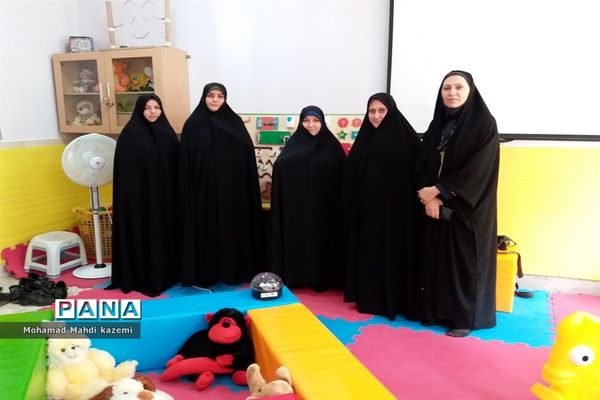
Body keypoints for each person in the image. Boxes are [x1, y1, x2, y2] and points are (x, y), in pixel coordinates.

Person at [415, 70, 499, 337]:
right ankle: (435, 311)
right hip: (435, 205)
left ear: (470, 91)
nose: (452, 93)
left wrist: (439, 192)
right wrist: (429, 196)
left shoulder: (483, 125)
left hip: (468, 208)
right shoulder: (437, 125)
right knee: (437, 259)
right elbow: (422, 161)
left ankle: (465, 318)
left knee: (464, 263)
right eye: (446, 88)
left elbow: (478, 168)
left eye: (458, 87)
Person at [344, 93, 421, 320]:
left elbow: (416, 176)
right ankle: (370, 298)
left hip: (397, 215)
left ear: (391, 111)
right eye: (372, 111)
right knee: (370, 254)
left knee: (394, 256)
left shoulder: (407, 140)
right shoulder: (365, 139)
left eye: (381, 110)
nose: (376, 116)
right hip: (368, 213)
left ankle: (395, 300)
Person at [178, 83, 264, 286]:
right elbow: (185, 161)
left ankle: (232, 272)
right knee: (205, 231)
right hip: (202, 192)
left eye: (220, 96)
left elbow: (246, 155)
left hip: (230, 192)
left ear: (225, 99)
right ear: (204, 97)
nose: (215, 100)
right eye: (211, 95)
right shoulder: (193, 125)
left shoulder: (234, 123)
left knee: (229, 230)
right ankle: (206, 274)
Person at [270, 105, 346, 291]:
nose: (311, 125)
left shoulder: (333, 148)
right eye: (306, 120)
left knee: (322, 242)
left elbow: (342, 176)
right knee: (299, 241)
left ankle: (322, 279)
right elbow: (280, 167)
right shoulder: (292, 147)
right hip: (298, 209)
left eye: (315, 120)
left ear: (322, 122)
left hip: (325, 208)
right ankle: (296, 276)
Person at [110, 94, 179, 297]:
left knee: (164, 234)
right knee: (144, 234)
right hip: (140, 200)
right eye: (148, 108)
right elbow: (125, 174)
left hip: (165, 198)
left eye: (156, 107)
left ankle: (167, 274)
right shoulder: (130, 135)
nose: (152, 111)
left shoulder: (168, 133)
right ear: (140, 110)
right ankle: (141, 276)